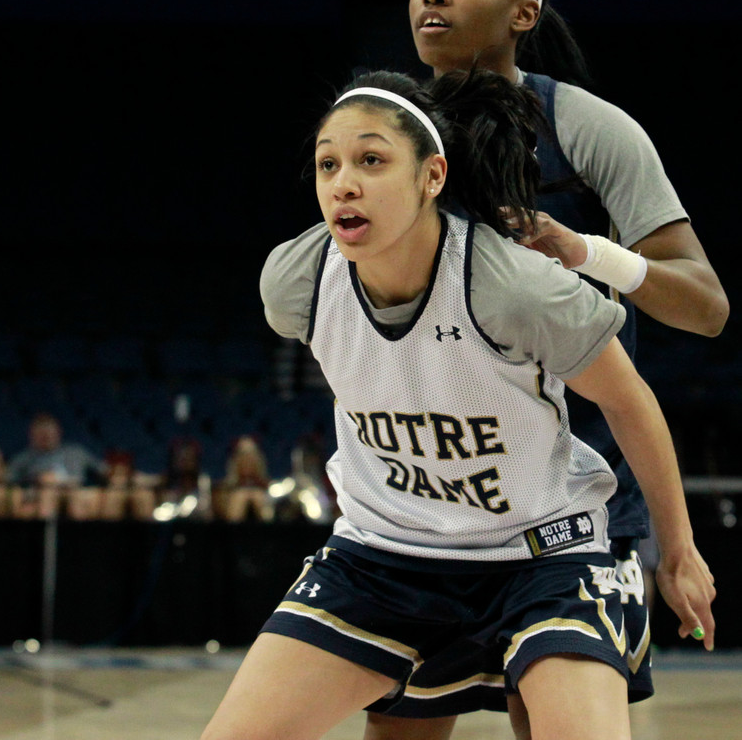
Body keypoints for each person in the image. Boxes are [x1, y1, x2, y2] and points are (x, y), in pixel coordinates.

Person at [199, 69, 714, 740]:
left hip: (543, 558)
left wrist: (677, 548)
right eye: (328, 163)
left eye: (371, 160)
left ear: (432, 177)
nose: (343, 182)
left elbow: (630, 400)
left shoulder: (513, 286)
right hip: (381, 557)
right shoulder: (296, 282)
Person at [362, 0, 729, 740]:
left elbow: (705, 306)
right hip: (436, 496)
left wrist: (587, 252)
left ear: (522, 13)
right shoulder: (378, 133)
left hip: (575, 500)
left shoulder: (586, 128)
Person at [7, 411, 107, 519]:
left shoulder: (75, 452)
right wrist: (36, 480)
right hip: (39, 494)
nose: (46, 436)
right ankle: (47, 534)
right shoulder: (23, 458)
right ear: (32, 435)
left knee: (82, 498)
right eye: (41, 433)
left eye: (49, 432)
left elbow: (104, 470)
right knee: (45, 495)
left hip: (75, 491)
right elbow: (8, 479)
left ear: (58, 432)